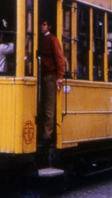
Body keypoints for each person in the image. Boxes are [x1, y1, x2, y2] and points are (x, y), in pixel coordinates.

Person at [39, 20, 65, 149]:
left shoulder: (52, 39)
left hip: (50, 76)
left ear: (49, 26)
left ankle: (47, 135)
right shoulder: (40, 38)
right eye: (41, 24)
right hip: (41, 76)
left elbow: (59, 58)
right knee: (42, 105)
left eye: (44, 24)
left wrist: (59, 76)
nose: (41, 27)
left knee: (49, 106)